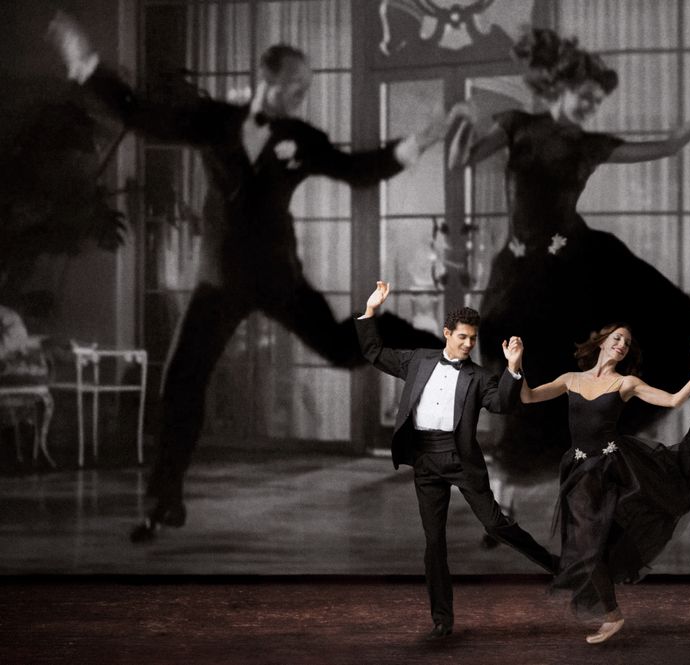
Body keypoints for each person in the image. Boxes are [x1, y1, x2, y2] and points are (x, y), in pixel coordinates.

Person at [47, 11, 452, 542]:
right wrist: (86, 64)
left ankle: (434, 348)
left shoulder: (303, 137)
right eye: (295, 86)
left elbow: (356, 171)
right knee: (181, 381)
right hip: (220, 279)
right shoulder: (214, 120)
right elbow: (141, 115)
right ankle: (162, 503)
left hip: (278, 274)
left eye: (309, 88)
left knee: (336, 347)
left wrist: (418, 141)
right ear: (267, 78)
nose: (303, 96)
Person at [448, 28, 690, 492]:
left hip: (575, 263)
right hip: (519, 269)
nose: (590, 106)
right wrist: (462, 119)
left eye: (596, 101)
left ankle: (554, 469)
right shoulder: (515, 124)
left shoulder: (591, 145)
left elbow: (669, 145)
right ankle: (519, 469)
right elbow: (461, 159)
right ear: (559, 88)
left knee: (579, 358)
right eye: (584, 96)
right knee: (513, 360)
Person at [355, 281, 557, 640]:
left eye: (473, 339)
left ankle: (555, 565)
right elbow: (374, 352)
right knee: (434, 544)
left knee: (495, 525)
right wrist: (371, 311)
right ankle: (442, 620)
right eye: (462, 337)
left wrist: (513, 368)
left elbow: (503, 405)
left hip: (461, 458)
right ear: (447, 333)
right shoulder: (418, 360)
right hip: (425, 460)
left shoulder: (480, 377)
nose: (467, 344)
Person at [518, 323, 690, 644]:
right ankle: (613, 616)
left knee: (598, 544)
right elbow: (528, 396)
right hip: (579, 472)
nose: (622, 344)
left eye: (627, 342)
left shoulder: (626, 382)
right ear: (602, 341)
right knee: (588, 547)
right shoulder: (570, 380)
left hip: (615, 469)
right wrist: (515, 365)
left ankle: (612, 613)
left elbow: (673, 401)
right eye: (617, 338)